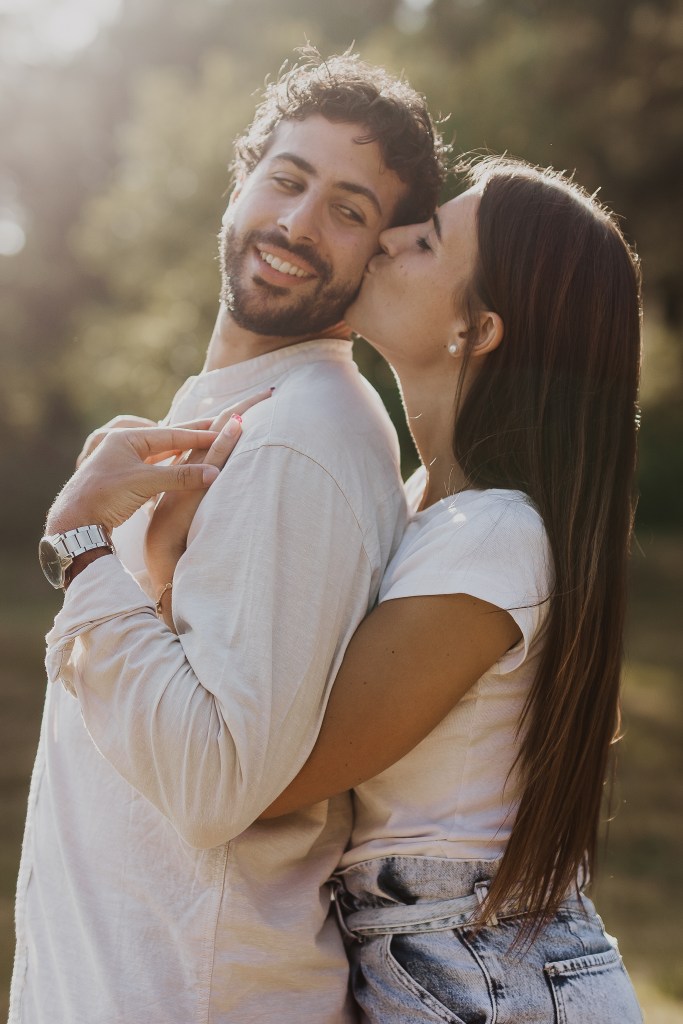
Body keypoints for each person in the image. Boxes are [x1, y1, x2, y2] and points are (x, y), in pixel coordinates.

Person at [142, 157, 645, 1021]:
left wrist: (141, 571)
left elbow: (261, 780)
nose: (385, 239)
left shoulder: (491, 538)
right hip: (444, 962)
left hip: (484, 977)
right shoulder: (422, 506)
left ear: (477, 329)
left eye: (424, 239)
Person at [11, 52, 446, 1024]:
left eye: (347, 209)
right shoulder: (236, 414)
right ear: (241, 177)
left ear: (378, 253)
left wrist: (80, 548)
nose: (295, 224)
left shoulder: (303, 436)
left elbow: (217, 787)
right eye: (286, 180)